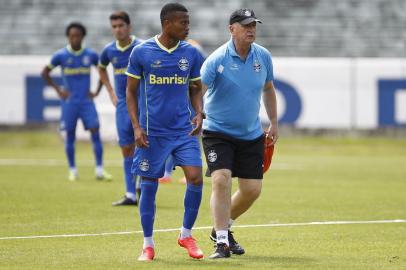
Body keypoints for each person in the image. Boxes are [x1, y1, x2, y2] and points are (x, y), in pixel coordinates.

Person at [125, 3, 205, 261]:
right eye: (183, 22)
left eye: (188, 22)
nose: (187, 26)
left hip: (184, 130)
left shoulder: (191, 54)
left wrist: (198, 111)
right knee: (148, 186)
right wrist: (136, 127)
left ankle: (186, 234)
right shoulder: (142, 52)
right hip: (152, 133)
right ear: (167, 23)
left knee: (195, 178)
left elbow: (195, 87)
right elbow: (131, 91)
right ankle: (147, 244)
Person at [200, 8, 279, 259]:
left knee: (252, 190)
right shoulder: (217, 59)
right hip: (217, 131)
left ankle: (221, 228)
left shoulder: (263, 56)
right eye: (245, 25)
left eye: (254, 24)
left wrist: (274, 122)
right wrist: (195, 112)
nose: (251, 29)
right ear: (231, 29)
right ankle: (222, 243)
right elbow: (196, 90)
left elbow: (268, 89)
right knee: (221, 179)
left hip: (250, 133)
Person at [41, 22, 112, 181]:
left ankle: (99, 170)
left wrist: (97, 91)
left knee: (95, 133)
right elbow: (45, 72)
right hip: (70, 103)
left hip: (87, 102)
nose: (74, 38)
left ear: (82, 37)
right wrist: (58, 90)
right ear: (68, 37)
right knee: (70, 135)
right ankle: (72, 170)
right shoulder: (61, 55)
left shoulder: (91, 55)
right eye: (72, 36)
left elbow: (102, 71)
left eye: (77, 35)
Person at [98, 11, 143, 206]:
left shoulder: (141, 47)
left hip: (143, 103)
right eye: (114, 27)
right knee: (126, 148)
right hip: (123, 105)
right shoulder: (109, 51)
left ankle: (143, 183)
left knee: (145, 144)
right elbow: (101, 68)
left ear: (129, 26)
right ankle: (130, 194)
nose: (118, 30)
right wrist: (110, 92)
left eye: (121, 26)